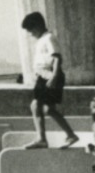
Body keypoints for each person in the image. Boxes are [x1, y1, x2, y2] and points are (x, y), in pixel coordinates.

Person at [21, 11, 79, 150]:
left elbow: (57, 58)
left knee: (36, 106)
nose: (30, 34)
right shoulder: (42, 40)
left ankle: (42, 139)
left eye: (31, 30)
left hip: (49, 76)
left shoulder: (49, 38)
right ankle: (70, 135)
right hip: (44, 76)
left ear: (38, 26)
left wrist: (54, 76)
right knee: (48, 109)